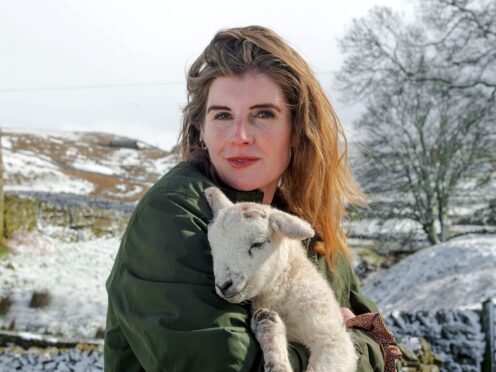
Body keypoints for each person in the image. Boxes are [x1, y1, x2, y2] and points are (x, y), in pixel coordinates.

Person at [104, 25, 400, 371]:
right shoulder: (175, 214)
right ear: (201, 128)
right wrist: (350, 348)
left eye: (263, 114)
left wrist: (357, 345)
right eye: (223, 115)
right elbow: (225, 365)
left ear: (298, 128)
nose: (240, 136)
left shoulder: (303, 226)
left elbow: (387, 348)